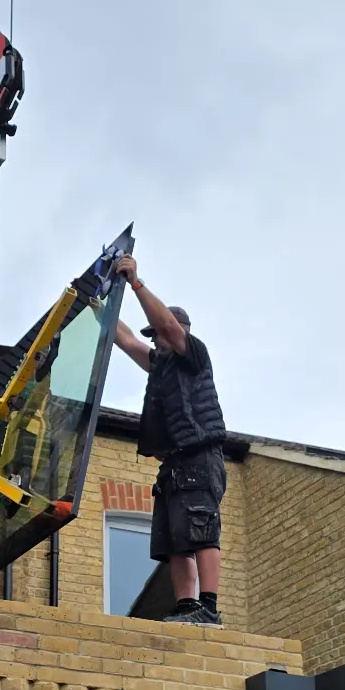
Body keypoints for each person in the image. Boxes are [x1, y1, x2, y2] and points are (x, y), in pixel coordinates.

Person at [111, 255, 227, 624]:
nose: (155, 339)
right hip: (173, 465)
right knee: (174, 539)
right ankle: (186, 607)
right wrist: (99, 304)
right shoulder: (160, 363)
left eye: (158, 332)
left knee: (201, 530)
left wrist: (135, 283)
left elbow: (169, 329)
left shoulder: (193, 354)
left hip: (199, 458)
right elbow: (127, 340)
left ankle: (208, 607)